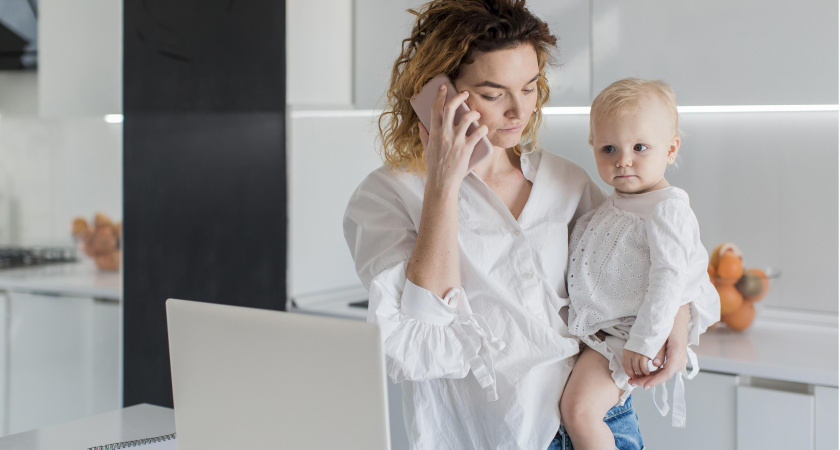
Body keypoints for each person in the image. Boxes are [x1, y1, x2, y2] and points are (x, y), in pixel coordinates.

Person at [343, 1, 705, 448]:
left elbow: (654, 261)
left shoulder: (566, 181)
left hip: (598, 422)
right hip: (492, 436)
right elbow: (419, 343)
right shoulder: (387, 197)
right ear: (439, 92)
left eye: (530, 88)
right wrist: (443, 185)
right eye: (494, 95)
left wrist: (681, 318)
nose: (520, 111)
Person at [559, 78, 720, 449]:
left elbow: (670, 280)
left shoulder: (667, 209)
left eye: (640, 147)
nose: (623, 160)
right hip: (603, 334)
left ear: (672, 149)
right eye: (609, 148)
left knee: (580, 412)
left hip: (626, 339)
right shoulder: (613, 204)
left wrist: (645, 343)